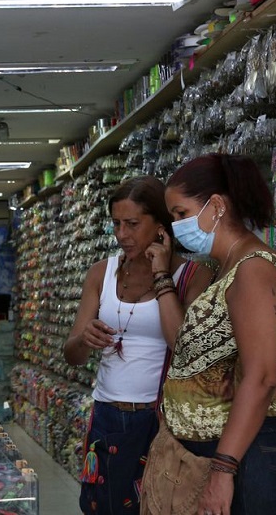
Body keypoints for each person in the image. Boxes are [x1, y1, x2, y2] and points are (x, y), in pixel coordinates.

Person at [150, 153, 276, 515]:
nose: (176, 226)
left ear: (216, 206)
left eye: (181, 214)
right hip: (220, 453)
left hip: (248, 456)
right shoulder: (223, 267)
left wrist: (223, 469)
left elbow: (262, 376)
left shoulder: (254, 270)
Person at [63, 175, 213, 514]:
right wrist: (85, 340)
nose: (122, 234)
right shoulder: (101, 273)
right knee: (101, 506)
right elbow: (72, 355)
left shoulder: (192, 277)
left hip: (160, 420)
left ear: (160, 225)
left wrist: (161, 275)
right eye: (116, 223)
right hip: (106, 415)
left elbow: (185, 348)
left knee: (155, 505)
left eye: (132, 224)